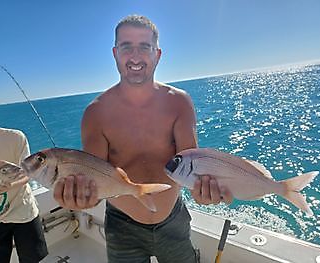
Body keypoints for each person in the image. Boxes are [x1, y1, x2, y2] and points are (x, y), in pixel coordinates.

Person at [53, 15, 232, 262]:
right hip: (121, 227)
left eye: (144, 47)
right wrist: (81, 195)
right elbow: (93, 175)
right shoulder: (95, 114)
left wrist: (205, 191)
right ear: (115, 53)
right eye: (126, 47)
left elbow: (193, 168)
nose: (135, 56)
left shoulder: (179, 103)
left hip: (174, 220)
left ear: (157, 55)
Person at [0, 93, 48, 263]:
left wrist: (9, 185)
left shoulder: (15, 138)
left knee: (32, 259)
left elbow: (28, 173)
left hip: (23, 211)